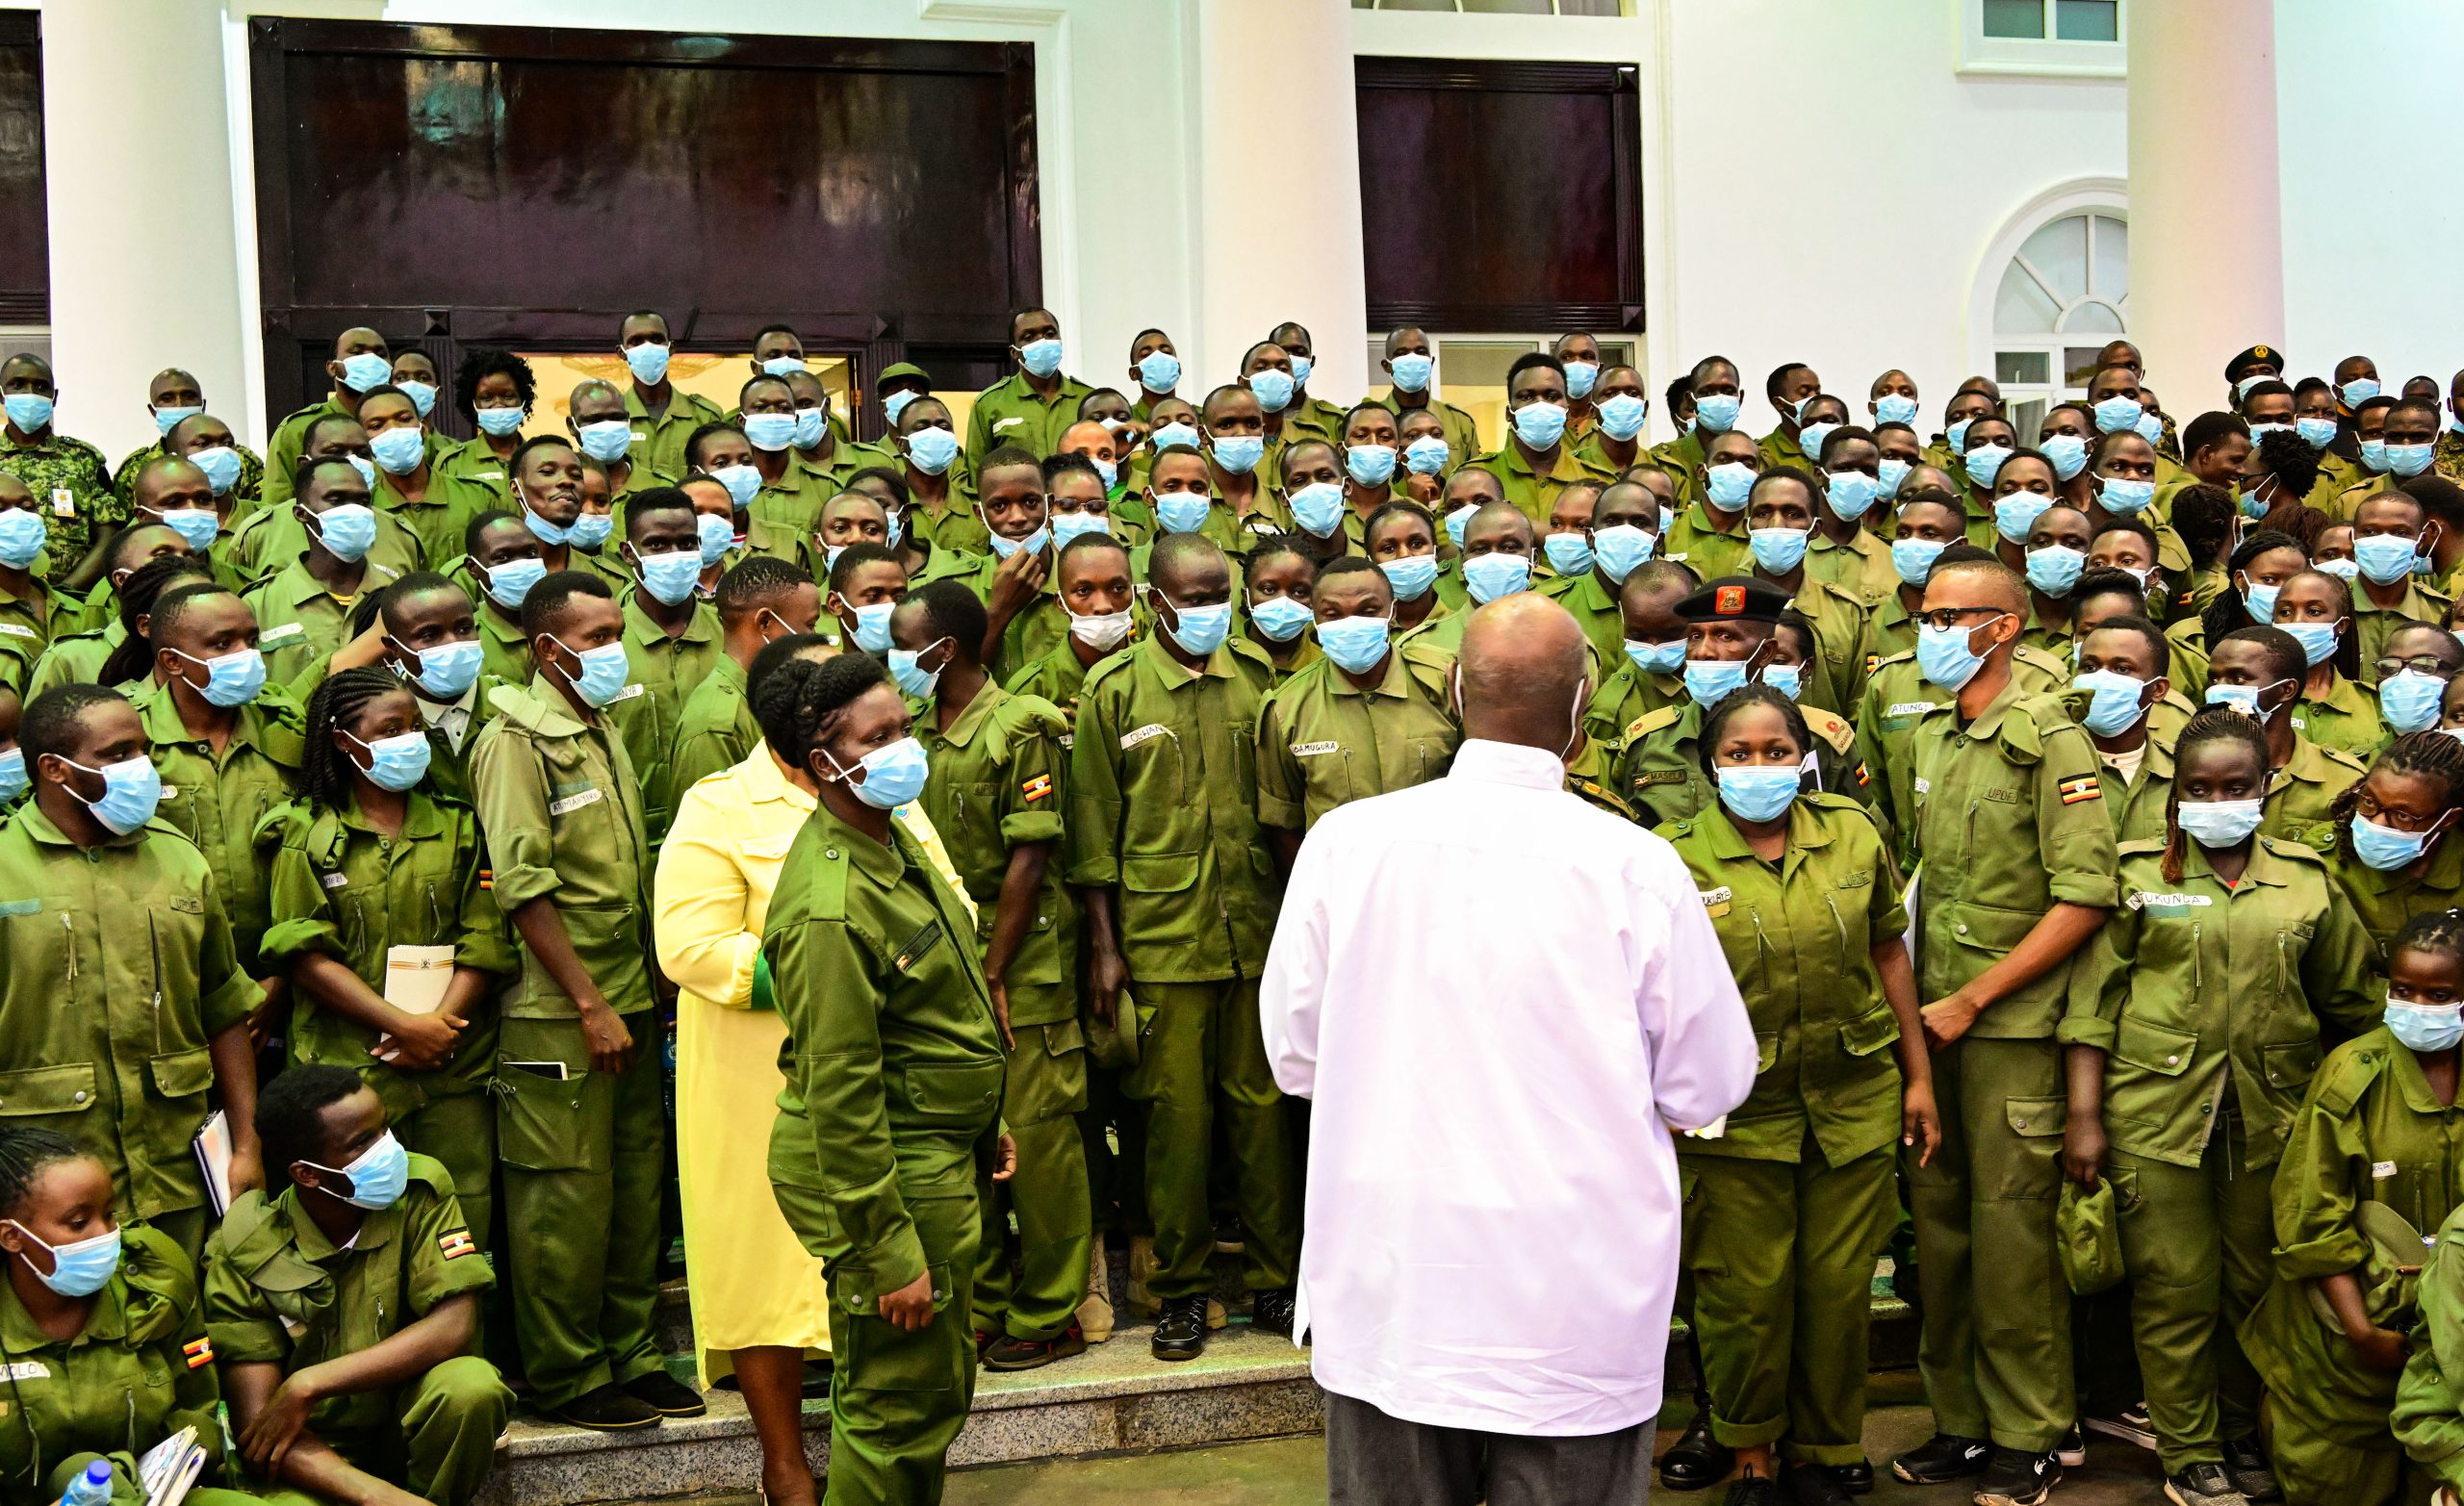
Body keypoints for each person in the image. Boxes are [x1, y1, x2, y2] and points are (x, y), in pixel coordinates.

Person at [1259, 590, 1757, 1506]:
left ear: (1452, 689)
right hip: (1570, 1294)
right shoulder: (1634, 864)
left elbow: (1296, 1056)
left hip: (1396, 1274)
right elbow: (1708, 1081)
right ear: (1580, 712)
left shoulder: (1346, 844)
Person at [2061, 708, 2376, 1506]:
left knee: (2254, 1286)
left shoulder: (2307, 881)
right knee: (2175, 1289)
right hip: (2155, 1116)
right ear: (2176, 796)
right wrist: (2085, 1116)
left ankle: (2238, 1429)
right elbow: (2092, 1006)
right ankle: (2189, 1449)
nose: (2217, 799)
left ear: (2265, 789)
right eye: (2197, 787)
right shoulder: (2142, 875)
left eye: (2235, 786)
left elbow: (2352, 1004)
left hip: (2273, 1121)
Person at [1655, 683, 1939, 1506]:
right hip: (1734, 1118)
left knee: (1838, 1286)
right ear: (1711, 766)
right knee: (1745, 1295)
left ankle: (1823, 1447)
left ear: (1803, 756)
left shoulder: (1851, 835)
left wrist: (1918, 1077)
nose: (1759, 767)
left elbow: (1890, 952)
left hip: (1852, 1099)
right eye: (1738, 755)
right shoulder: (1672, 856)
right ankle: (1750, 1453)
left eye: (1775, 752)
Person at [757, 650, 1017, 1505]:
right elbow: (841, 1088)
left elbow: (941, 1010)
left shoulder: (885, 834)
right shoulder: (829, 903)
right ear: (825, 763)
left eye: (904, 727)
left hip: (932, 1149)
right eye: (881, 737)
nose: (906, 747)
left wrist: (988, 1121)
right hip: (886, 1173)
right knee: (896, 1406)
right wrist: (888, 1247)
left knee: (929, 1392)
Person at [1892, 554, 2118, 1502]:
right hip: (1932, 1032)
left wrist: (1975, 997)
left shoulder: (2049, 738)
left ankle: (2031, 1431)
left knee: (2013, 1244)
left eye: (1954, 616)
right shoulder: (1936, 736)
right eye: (1927, 614)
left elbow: (2085, 896)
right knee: (1939, 1237)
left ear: (2006, 625)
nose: (1931, 630)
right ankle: (1960, 1421)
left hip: (2009, 1030)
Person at [468, 570, 697, 1430]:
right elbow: (523, 887)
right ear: (548, 649)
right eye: (597, 637)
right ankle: (568, 1373)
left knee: (635, 1188)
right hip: (561, 1011)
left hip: (630, 994)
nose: (614, 649)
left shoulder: (598, 727)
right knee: (563, 1200)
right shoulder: (515, 741)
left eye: (615, 633)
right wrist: (590, 1002)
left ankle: (632, 1351)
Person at [1068, 531, 1295, 1362]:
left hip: (1258, 937)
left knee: (1264, 1118)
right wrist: (1104, 947)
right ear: (1154, 601)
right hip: (1162, 942)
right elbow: (1091, 827)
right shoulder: (1113, 691)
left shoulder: (1259, 681)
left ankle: (1277, 1279)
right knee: (1175, 1126)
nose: (1206, 612)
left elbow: (1280, 813)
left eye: (1217, 596)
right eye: (1191, 598)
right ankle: (1183, 1292)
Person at [893, 581, 1091, 1371]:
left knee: (1039, 1143)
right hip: (942, 965)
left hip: (1019, 962)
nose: (892, 656)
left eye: (904, 642)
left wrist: (995, 970)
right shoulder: (910, 731)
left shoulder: (1021, 727)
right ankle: (975, 1302)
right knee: (964, 1136)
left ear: (942, 651)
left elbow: (1031, 856)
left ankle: (1051, 1308)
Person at [0, 682, 263, 1261]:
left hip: (177, 1167)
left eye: (144, 749)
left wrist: (247, 1144)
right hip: (43, 1185)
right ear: (54, 769)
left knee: (188, 1334)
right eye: (117, 754)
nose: (140, 767)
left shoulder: (179, 859)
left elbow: (223, 1011)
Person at [257, 667, 514, 1245]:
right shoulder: (309, 834)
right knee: (364, 1225)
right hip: (352, 1068)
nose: (410, 740)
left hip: (453, 1063)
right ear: (345, 742)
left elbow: (485, 937)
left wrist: (437, 1028)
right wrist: (403, 1027)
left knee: (461, 1214)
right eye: (390, 729)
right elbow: (303, 953)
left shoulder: (457, 825)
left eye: (414, 726)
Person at [205, 1066, 512, 1506]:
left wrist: (309, 1382)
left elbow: (455, 1324)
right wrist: (376, 1497)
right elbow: (261, 1430)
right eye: (360, 1143)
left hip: (403, 1423)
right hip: (312, 1450)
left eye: (384, 1128)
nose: (387, 1149)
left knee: (471, 1387)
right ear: (307, 1174)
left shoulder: (420, 1188)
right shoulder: (245, 1248)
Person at [2239, 909, 2464, 1506]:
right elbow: (2312, 1218)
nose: (2416, 1006)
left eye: (2439, 995)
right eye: (2402, 989)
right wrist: (2364, 1333)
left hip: (2451, 1348)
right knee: (2337, 1480)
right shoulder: (2353, 1075)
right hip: (2346, 1345)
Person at [0, 1126, 268, 1504]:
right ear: (12, 1237)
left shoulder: (155, 1283)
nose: (105, 1234)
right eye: (78, 1223)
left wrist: (127, 1480)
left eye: (109, 1214)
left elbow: (199, 1413)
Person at [121, 581, 305, 999]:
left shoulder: (284, 726)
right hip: (170, 976)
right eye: (222, 644)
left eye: (251, 640)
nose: (246, 655)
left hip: (283, 973)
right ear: (172, 660)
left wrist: (282, 979)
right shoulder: (130, 737)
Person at [1256, 555, 1459, 866]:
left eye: (1367, 611)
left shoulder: (1444, 683)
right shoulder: (1287, 709)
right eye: (1333, 614)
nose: (1350, 624)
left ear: (1392, 613)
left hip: (1438, 884)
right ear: (1315, 621)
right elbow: (1284, 824)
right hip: (1343, 896)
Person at [2204, 625, 2369, 854]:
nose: (2219, 690)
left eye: (2238, 679)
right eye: (2214, 679)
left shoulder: (2341, 779)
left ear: (2287, 689)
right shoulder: (2185, 770)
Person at [245, 457, 404, 688]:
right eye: (337, 500)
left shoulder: (401, 596)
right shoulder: (260, 605)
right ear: (301, 513)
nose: (354, 512)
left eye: (362, 501)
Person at [671, 556, 822, 794]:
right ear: (765, 623)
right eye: (810, 624)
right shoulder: (717, 725)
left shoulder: (767, 698)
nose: (815, 636)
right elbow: (711, 822)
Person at [2326, 727, 2464, 960]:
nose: (2377, 822)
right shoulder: (2321, 862)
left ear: (2447, 820)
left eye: (2403, 816)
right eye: (2369, 801)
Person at [0, 352, 116, 592]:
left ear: (54, 397)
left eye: (41, 386)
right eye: (18, 385)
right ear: (2, 394)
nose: (30, 393)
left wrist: (63, 592)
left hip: (73, 603)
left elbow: (109, 537)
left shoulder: (84, 460)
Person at [1003, 531, 1133, 723]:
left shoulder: (1157, 674)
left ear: (1134, 592)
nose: (1103, 606)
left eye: (1118, 589)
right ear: (1061, 603)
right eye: (1084, 591)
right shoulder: (1031, 691)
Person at [1472, 353, 1615, 526]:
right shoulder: (1475, 476)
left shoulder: (1601, 481)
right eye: (1526, 396)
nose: (1540, 405)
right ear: (1509, 414)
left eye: (1552, 396)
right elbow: (1445, 544)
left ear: (1567, 412)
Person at [112, 369, 267, 518]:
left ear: (202, 405)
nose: (179, 404)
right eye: (167, 398)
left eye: (189, 396)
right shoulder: (134, 469)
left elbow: (264, 513)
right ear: (153, 411)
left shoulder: (241, 459)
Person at [267, 326, 392, 511]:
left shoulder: (402, 431)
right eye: (357, 352)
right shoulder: (298, 429)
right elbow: (277, 506)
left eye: (380, 354)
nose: (371, 359)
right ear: (332, 367)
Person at [967, 306, 1090, 465]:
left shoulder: (1087, 399)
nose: (1042, 341)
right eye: (1028, 337)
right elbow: (976, 470)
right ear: (1014, 352)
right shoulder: (988, 404)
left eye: (1049, 334)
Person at [614, 310, 724, 484]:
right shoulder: (611, 419)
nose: (647, 347)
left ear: (670, 348)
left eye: (657, 340)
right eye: (636, 342)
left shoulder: (705, 416)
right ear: (621, 352)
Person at [1374, 326, 1478, 471]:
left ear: (1431, 362)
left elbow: (1472, 478)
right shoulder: (1372, 422)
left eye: (1420, 352)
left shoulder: (1459, 423)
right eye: (1402, 353)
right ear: (1387, 366)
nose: (1412, 358)